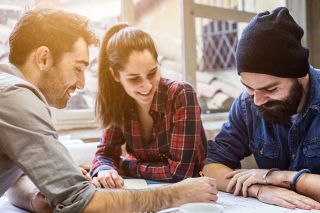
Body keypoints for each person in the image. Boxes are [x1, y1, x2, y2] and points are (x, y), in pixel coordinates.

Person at [0, 7, 218, 213]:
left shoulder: (10, 91)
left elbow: (14, 180)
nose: (82, 83)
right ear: (43, 58)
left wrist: (40, 195)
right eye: (78, 68)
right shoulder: (17, 98)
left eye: (152, 73)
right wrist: (178, 194)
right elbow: (81, 201)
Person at [203, 7, 320, 210]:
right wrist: (259, 189)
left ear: (299, 75)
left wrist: (279, 177)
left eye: (270, 89)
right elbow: (211, 165)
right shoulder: (246, 104)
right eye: (248, 87)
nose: (257, 100)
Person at [90, 23, 207, 188]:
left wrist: (125, 165)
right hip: (148, 191)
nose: (147, 86)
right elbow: (104, 154)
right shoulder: (119, 102)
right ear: (115, 75)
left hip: (194, 192)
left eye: (152, 73)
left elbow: (179, 174)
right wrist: (105, 170)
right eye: (134, 78)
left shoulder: (181, 94)